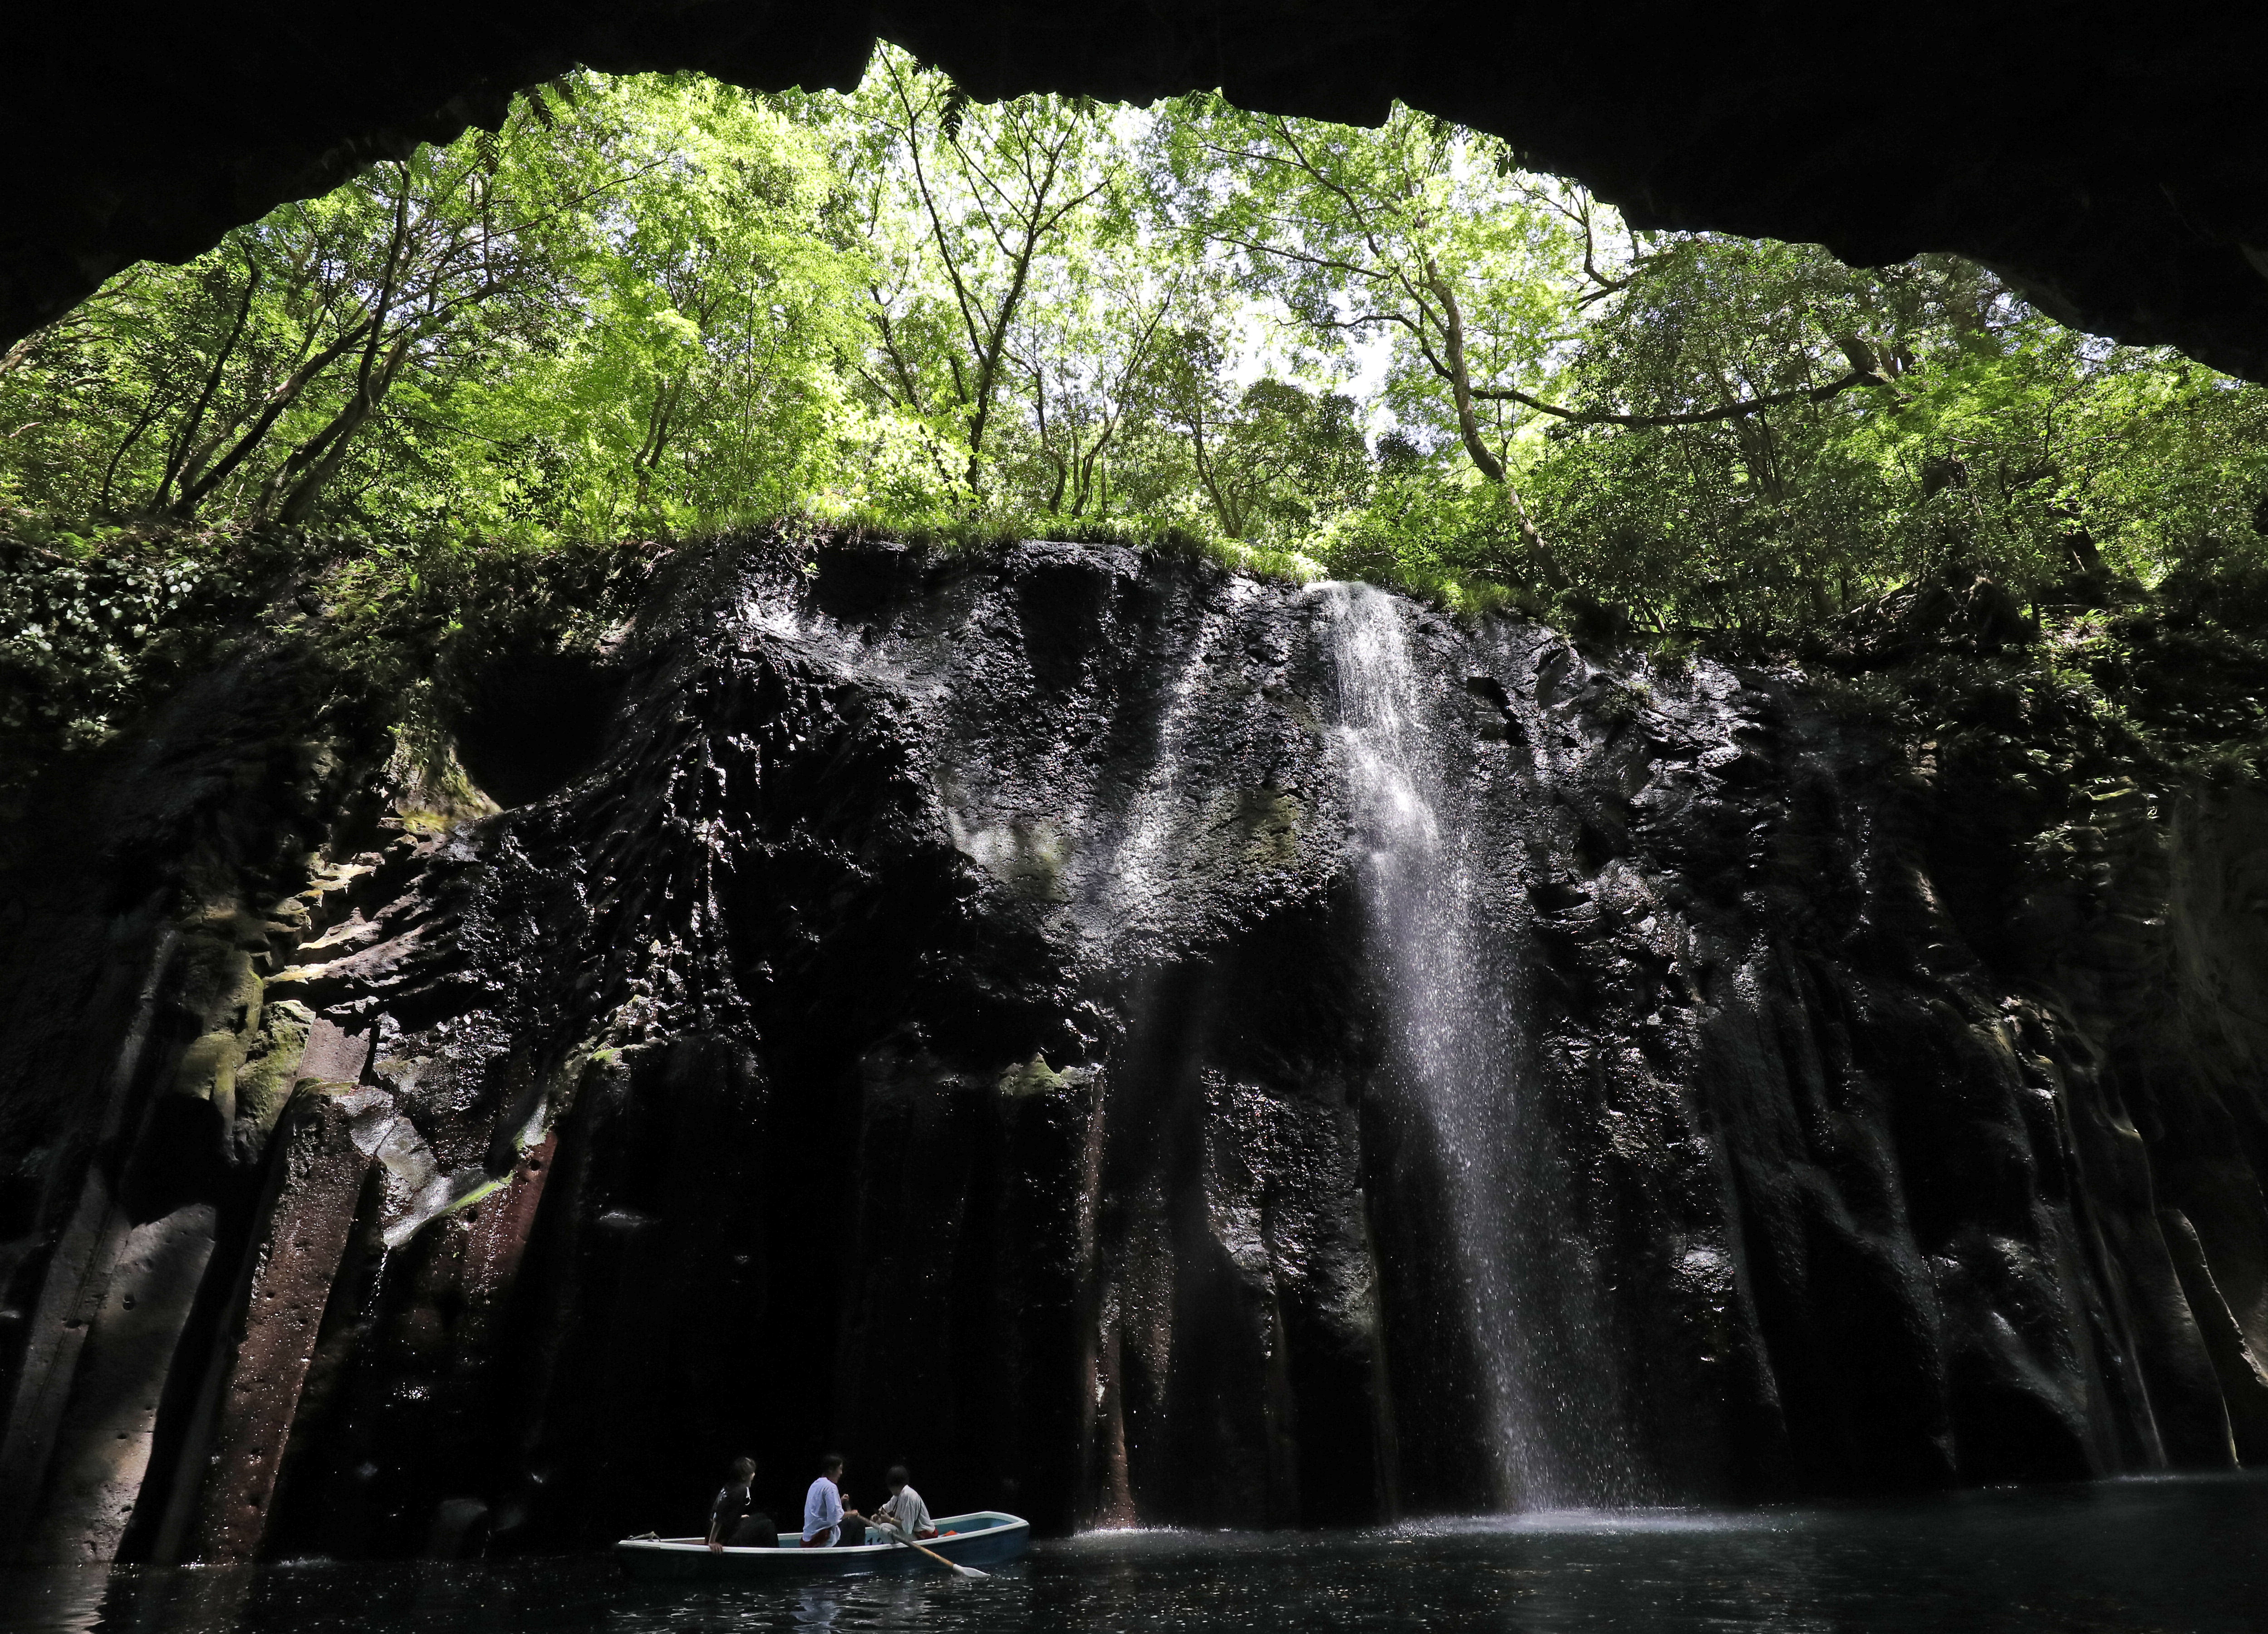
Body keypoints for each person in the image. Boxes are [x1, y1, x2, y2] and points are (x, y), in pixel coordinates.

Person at [707, 1455, 778, 1550]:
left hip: (726, 1531)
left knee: (762, 1516)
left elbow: (720, 1511)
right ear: (744, 1477)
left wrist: (737, 1518)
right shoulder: (740, 1491)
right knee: (768, 1525)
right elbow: (718, 1516)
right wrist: (712, 1542)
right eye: (751, 1473)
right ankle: (774, 1557)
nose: (754, 1475)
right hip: (727, 1539)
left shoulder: (731, 1486)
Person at [802, 1453, 863, 1547]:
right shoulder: (830, 1487)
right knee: (856, 1523)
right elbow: (834, 1517)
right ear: (831, 1469)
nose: (841, 1473)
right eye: (840, 1469)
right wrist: (852, 1513)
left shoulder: (815, 1485)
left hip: (809, 1538)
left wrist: (840, 1501)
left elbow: (821, 1510)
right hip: (821, 1539)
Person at [871, 1465, 939, 1542]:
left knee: (884, 1528)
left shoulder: (909, 1496)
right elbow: (886, 1508)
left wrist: (890, 1520)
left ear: (891, 1485)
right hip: (914, 1533)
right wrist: (877, 1515)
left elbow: (907, 1529)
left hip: (923, 1536)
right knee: (879, 1522)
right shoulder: (898, 1495)